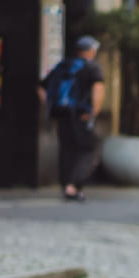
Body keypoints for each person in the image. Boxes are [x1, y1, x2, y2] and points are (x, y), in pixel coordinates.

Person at [38, 35, 106, 201]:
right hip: (80, 114)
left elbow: (41, 87)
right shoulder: (92, 67)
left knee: (67, 149)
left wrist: (51, 106)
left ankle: (66, 185)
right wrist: (93, 112)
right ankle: (73, 186)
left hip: (61, 114)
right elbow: (98, 88)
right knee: (88, 148)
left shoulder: (63, 65)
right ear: (91, 51)